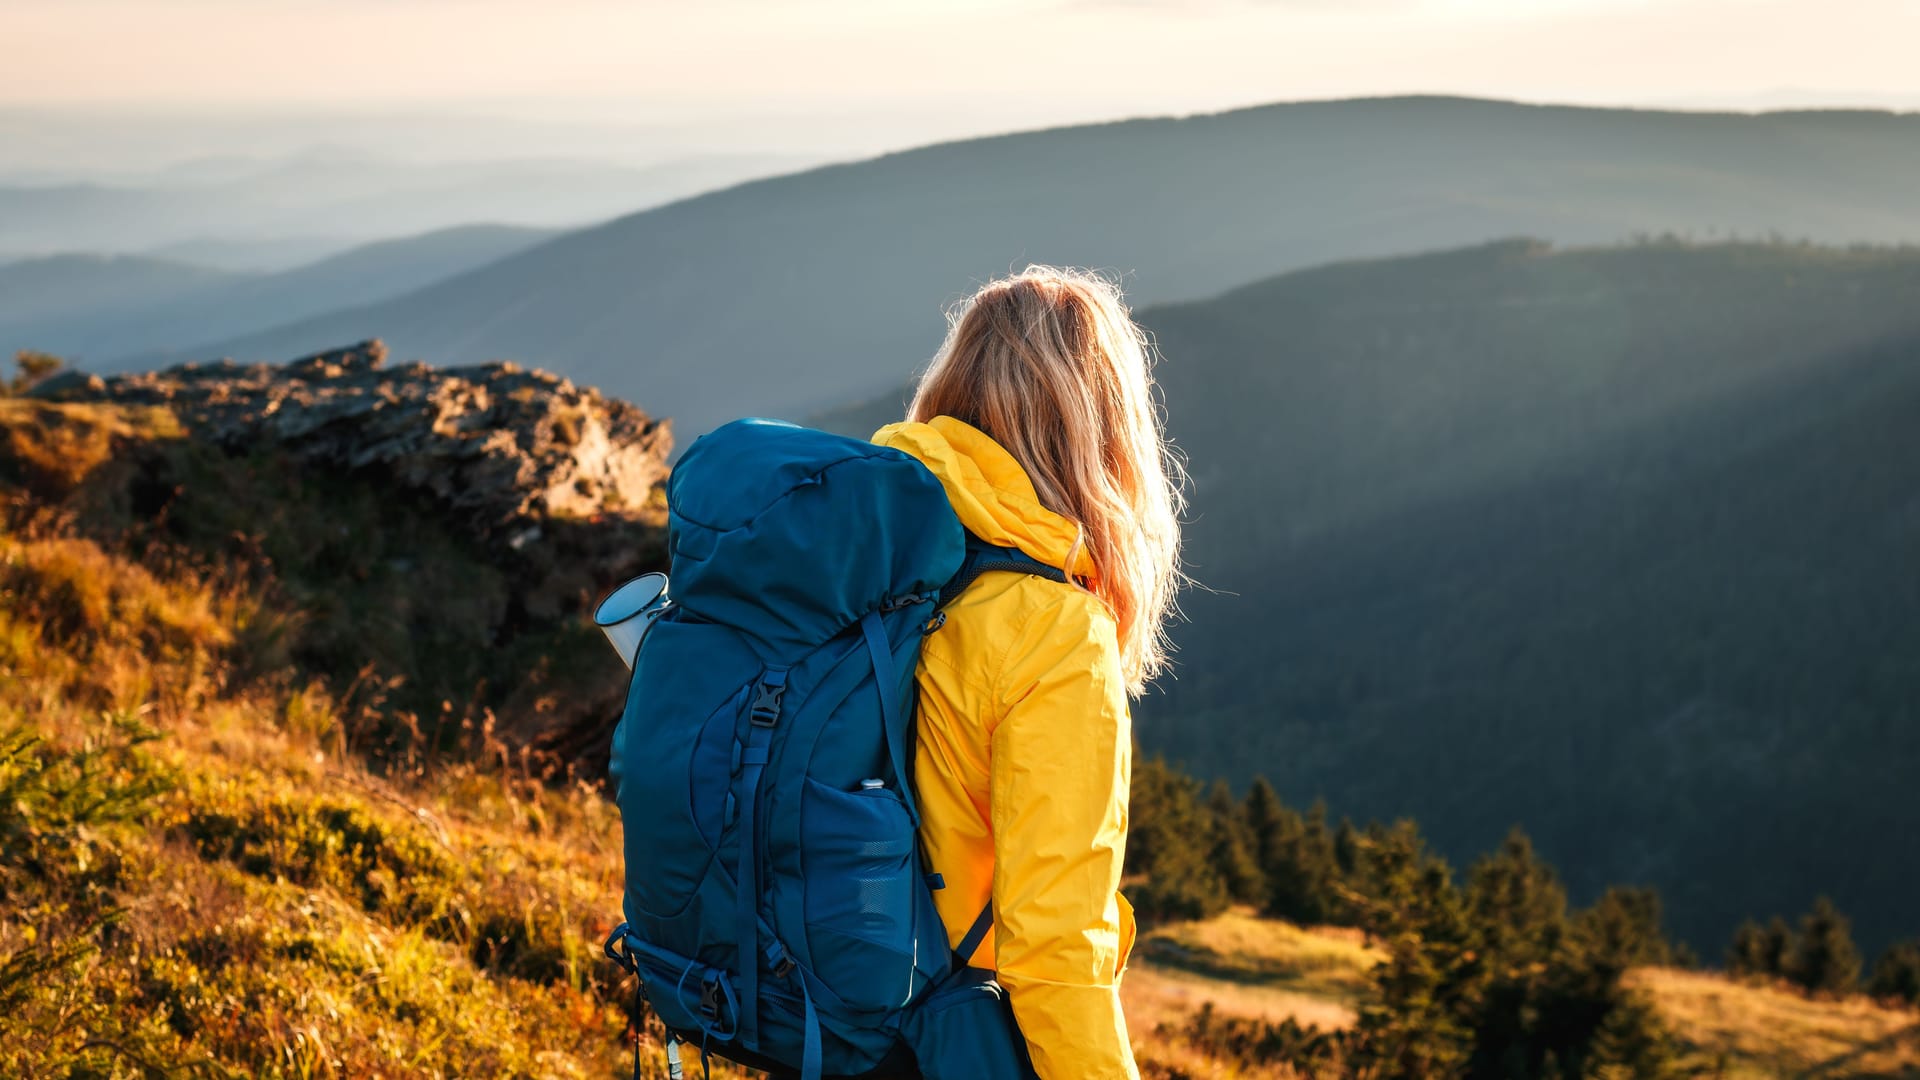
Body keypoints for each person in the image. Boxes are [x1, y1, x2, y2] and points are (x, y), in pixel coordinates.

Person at [872, 267, 1185, 1080]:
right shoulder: (1052, 630)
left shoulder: (869, 548)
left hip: (813, 992)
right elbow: (1054, 946)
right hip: (937, 1027)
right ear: (1103, 431)